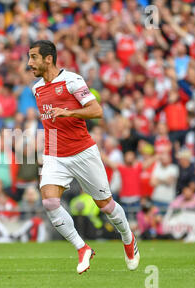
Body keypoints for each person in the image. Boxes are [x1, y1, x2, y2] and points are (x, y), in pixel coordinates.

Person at [28, 40, 139, 274]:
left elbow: (96, 110)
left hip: (83, 152)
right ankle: (82, 248)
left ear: (49, 58)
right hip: (55, 153)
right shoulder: (36, 88)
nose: (30, 63)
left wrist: (70, 112)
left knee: (106, 205)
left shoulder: (72, 80)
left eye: (34, 57)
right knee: (49, 201)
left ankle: (128, 238)